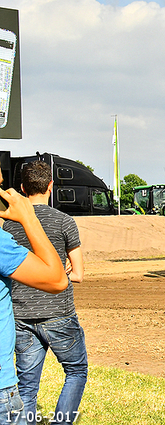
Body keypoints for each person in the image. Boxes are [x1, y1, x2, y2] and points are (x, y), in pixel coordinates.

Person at [2, 161, 86, 425]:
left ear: (23, 188)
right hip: (58, 313)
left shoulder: (7, 227)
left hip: (21, 315)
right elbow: (77, 275)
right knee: (76, 370)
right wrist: (64, 270)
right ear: (52, 186)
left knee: (26, 384)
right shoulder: (65, 222)